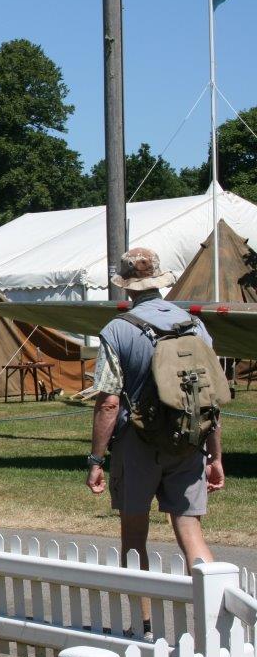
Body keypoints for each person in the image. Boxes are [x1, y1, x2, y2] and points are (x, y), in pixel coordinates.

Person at [87, 248, 225, 633]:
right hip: (188, 442)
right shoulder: (195, 326)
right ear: (160, 281)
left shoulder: (117, 330)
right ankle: (216, 627)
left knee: (134, 536)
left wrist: (96, 460)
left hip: (137, 444)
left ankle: (143, 627)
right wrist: (215, 455)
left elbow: (109, 402)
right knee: (190, 533)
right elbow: (208, 398)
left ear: (127, 286)